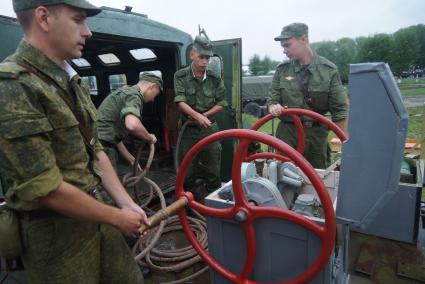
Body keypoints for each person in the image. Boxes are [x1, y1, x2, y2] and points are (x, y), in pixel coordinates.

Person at [0, 1, 149, 283]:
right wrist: (117, 218)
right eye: (78, 20)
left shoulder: (70, 79)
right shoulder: (13, 85)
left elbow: (95, 149)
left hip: (100, 222)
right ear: (44, 18)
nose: (88, 31)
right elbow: (47, 189)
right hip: (59, 242)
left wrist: (126, 204)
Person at [267, 23, 348, 169]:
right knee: (283, 176)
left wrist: (346, 146)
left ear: (303, 39)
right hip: (288, 133)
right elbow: (272, 100)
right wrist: (273, 107)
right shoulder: (282, 70)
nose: (284, 51)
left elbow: (340, 112)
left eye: (287, 45)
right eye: (282, 47)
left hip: (316, 136)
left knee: (318, 178)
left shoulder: (329, 71)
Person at [174, 36, 227, 196]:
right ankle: (188, 202)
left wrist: (205, 115)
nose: (205, 61)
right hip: (188, 130)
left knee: (213, 166)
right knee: (187, 168)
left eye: (208, 58)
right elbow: (180, 101)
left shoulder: (214, 78)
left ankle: (214, 200)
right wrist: (196, 116)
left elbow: (222, 103)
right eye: (201, 57)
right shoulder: (180, 76)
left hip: (209, 127)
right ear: (192, 55)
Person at [97, 72, 163, 172]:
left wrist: (131, 158)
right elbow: (132, 125)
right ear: (152, 86)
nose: (153, 99)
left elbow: (112, 134)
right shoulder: (135, 95)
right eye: (156, 94)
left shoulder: (126, 91)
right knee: (109, 186)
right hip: (102, 148)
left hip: (97, 144)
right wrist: (149, 138)